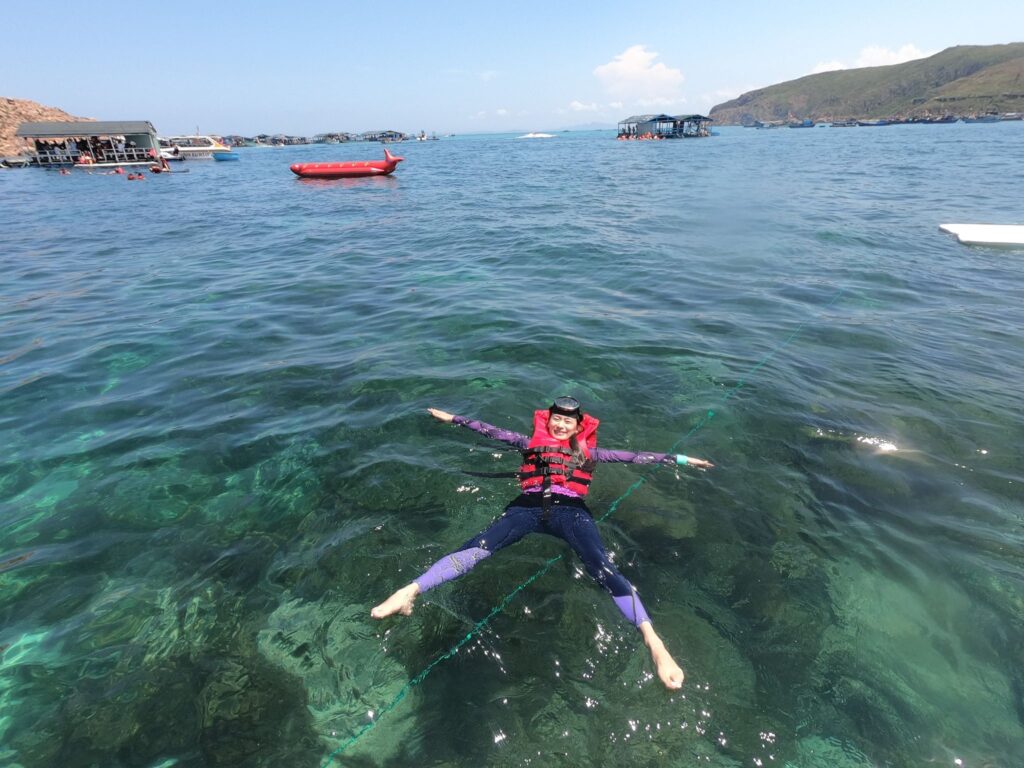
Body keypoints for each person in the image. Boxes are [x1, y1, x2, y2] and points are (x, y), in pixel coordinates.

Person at [372, 397, 714, 690]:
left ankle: (654, 642)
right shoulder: (528, 443)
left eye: (568, 421)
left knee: (603, 568)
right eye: (557, 419)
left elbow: (638, 457)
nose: (561, 425)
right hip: (526, 510)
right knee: (476, 548)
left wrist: (684, 460)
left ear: (578, 427)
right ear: (548, 422)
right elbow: (489, 430)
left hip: (571, 514)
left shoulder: (591, 454)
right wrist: (453, 419)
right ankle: (410, 591)